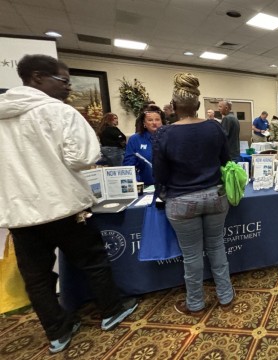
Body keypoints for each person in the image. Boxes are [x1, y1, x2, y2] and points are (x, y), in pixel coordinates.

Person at [0, 54, 137, 354]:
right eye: (63, 81)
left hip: (20, 214)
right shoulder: (59, 113)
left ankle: (57, 331)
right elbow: (83, 157)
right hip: (64, 206)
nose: (68, 88)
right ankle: (112, 311)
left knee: (37, 277)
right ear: (37, 78)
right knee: (94, 261)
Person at [153, 73, 235, 316]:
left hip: (181, 201)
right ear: (198, 105)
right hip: (215, 197)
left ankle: (196, 304)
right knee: (217, 247)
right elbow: (226, 162)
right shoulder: (214, 127)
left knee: (191, 255)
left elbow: (160, 175)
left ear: (174, 107)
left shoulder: (164, 134)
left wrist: (165, 193)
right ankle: (226, 297)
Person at [123, 104, 163, 185]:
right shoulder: (135, 140)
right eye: (150, 120)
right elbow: (128, 166)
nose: (154, 123)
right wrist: (137, 182)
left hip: (169, 187)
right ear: (144, 123)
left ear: (162, 122)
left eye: (157, 119)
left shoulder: (170, 137)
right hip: (146, 186)